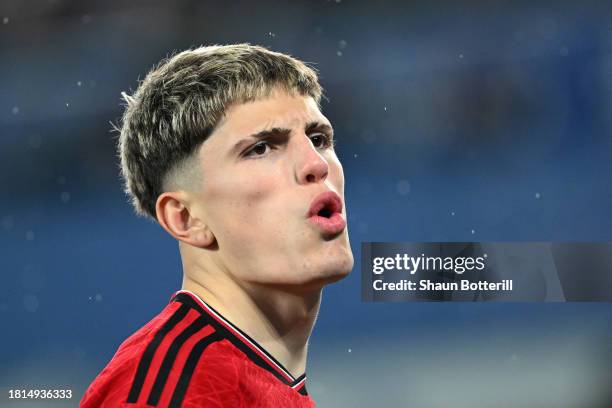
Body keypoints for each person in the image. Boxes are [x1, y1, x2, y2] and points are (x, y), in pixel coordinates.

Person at [79, 43, 354, 407]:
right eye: (261, 148)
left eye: (318, 139)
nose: (316, 164)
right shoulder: (178, 388)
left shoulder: (250, 381)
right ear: (186, 218)